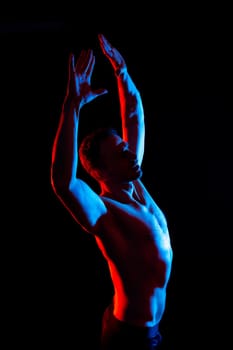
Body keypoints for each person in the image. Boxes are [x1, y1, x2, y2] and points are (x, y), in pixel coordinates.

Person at [51, 33, 173, 350]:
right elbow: (64, 182)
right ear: (102, 171)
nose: (130, 152)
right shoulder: (105, 212)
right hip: (130, 340)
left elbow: (134, 114)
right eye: (120, 152)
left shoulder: (134, 183)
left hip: (150, 330)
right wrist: (72, 106)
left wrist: (122, 71)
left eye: (124, 146)